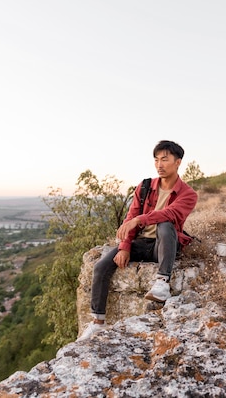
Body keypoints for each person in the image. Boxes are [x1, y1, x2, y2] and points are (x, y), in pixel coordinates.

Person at [78, 140, 198, 341]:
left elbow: (170, 212)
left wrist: (139, 220)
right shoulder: (144, 187)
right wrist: (124, 247)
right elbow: (130, 216)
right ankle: (97, 322)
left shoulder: (188, 194)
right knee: (101, 267)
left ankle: (162, 282)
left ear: (178, 162)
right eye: (156, 160)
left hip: (164, 244)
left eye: (165, 159)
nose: (160, 164)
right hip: (142, 243)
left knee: (165, 223)